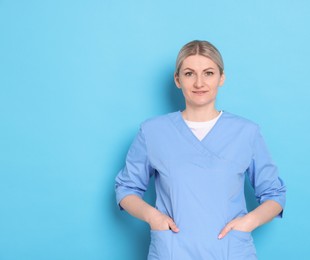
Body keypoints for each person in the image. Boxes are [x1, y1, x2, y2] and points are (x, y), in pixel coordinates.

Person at [115, 40, 286, 260]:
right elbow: (126, 189)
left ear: (221, 78)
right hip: (171, 251)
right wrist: (153, 217)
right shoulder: (153, 132)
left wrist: (247, 223)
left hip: (230, 251)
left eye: (208, 73)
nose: (199, 83)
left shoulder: (246, 133)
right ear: (177, 80)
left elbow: (274, 194)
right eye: (189, 74)